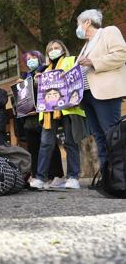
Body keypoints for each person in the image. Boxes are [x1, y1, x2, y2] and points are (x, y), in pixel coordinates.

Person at [30, 40, 86, 189]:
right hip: (49, 111)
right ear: (47, 53)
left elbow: (79, 79)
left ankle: (73, 177)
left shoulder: (71, 60)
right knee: (45, 144)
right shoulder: (44, 70)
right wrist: (37, 82)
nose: (53, 51)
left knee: (70, 143)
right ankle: (41, 178)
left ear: (63, 49)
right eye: (50, 49)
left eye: (57, 48)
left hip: (69, 108)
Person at [75, 9, 126, 174]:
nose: (78, 28)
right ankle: (107, 176)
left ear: (87, 22)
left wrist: (93, 61)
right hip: (87, 96)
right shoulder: (85, 46)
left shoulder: (108, 32)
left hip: (105, 93)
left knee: (112, 134)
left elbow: (121, 54)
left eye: (78, 24)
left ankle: (120, 176)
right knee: (99, 137)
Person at [16, 51, 64, 184]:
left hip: (44, 115)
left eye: (33, 58)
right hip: (28, 118)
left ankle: (56, 175)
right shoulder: (25, 77)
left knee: (50, 145)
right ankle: (38, 176)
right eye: (28, 59)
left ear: (40, 58)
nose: (30, 60)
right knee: (33, 148)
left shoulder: (45, 70)